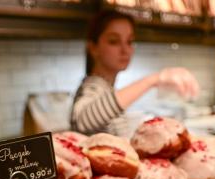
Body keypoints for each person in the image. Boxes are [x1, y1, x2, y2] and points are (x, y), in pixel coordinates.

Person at [70, 10, 199, 136]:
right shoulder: (93, 86)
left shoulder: (106, 88)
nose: (125, 49)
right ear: (93, 48)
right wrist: (153, 79)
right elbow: (83, 120)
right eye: (114, 41)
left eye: (129, 41)